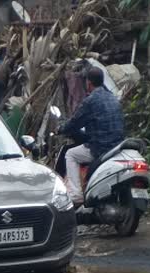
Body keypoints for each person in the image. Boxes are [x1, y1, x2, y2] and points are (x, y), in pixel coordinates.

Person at [60, 66, 124, 206]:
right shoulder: (113, 98)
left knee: (70, 154)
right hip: (118, 146)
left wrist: (62, 128)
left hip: (100, 147)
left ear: (88, 83)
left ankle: (76, 194)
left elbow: (75, 122)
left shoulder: (91, 101)